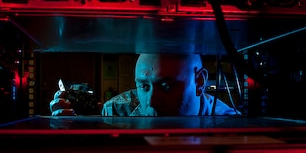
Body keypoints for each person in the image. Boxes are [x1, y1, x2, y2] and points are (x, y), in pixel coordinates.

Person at [101, 53, 240, 116]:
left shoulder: (231, 126)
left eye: (166, 86)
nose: (152, 101)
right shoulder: (116, 112)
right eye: (144, 86)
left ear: (199, 82)